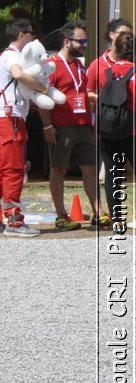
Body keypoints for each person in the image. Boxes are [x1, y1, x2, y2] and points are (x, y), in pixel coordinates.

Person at [0, 17, 51, 237]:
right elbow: (18, 75)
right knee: (14, 169)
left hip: (6, 116)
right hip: (11, 118)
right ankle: (14, 221)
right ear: (21, 35)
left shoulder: (6, 55)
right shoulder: (12, 56)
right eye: (31, 33)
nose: (33, 37)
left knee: (0, 168)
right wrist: (42, 88)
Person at [43, 21, 96, 231]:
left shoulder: (80, 65)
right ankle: (61, 215)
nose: (84, 45)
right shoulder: (51, 65)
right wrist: (47, 126)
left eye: (86, 41)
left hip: (83, 124)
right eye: (81, 41)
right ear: (67, 41)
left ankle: (98, 212)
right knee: (59, 169)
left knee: (90, 168)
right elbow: (43, 97)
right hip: (62, 125)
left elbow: (80, 92)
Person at [88, 27, 134, 229]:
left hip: (108, 130)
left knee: (113, 174)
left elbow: (88, 92)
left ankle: (118, 220)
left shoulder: (103, 70)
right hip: (132, 131)